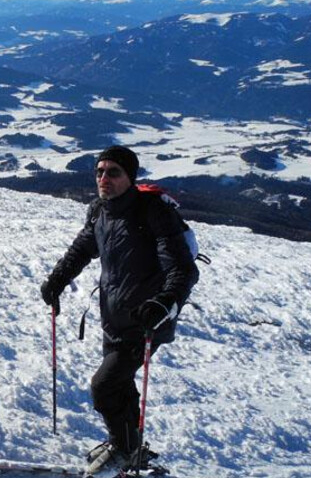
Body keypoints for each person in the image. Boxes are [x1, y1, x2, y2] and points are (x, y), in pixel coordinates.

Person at [40, 146, 199, 474]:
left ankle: (125, 449)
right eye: (99, 171)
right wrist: (56, 281)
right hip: (113, 317)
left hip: (147, 321)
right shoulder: (100, 211)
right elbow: (81, 250)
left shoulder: (152, 213)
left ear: (130, 177)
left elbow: (182, 269)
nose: (103, 178)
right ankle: (131, 447)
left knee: (104, 386)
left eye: (113, 172)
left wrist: (164, 302)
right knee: (120, 385)